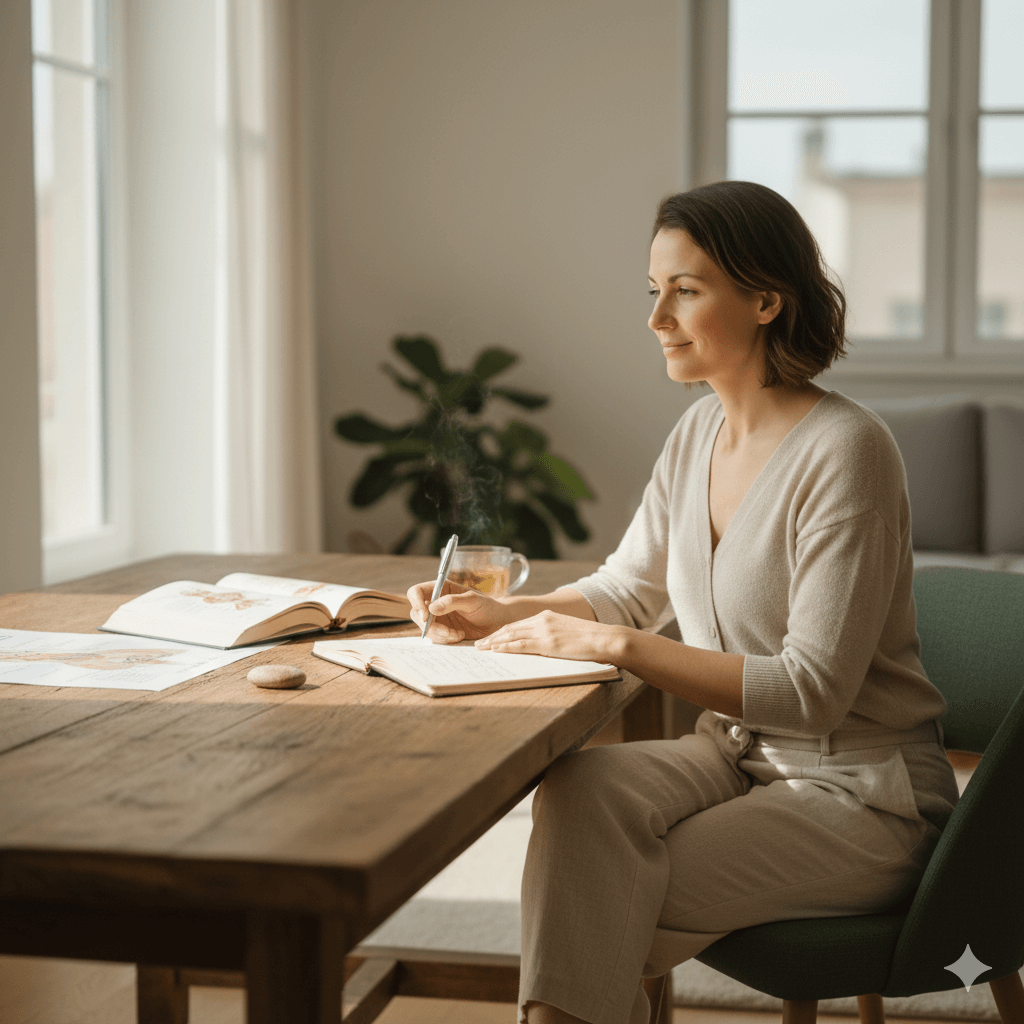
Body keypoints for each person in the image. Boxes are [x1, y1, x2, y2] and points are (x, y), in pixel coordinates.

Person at [407, 180, 961, 1024]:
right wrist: (507, 616)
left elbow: (813, 694)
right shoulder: (697, 432)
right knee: (581, 792)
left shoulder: (849, 452)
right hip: (732, 758)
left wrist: (617, 651)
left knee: (600, 891)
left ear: (767, 301)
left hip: (859, 793)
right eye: (654, 290)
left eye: (686, 291)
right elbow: (628, 586)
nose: (657, 317)